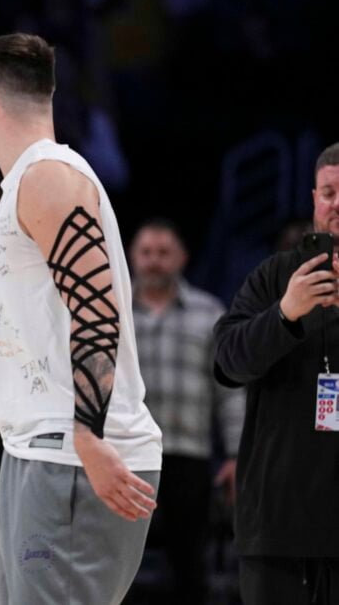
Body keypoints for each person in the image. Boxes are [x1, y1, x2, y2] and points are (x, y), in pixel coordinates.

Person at [0, 32, 162, 604]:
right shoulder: (28, 183)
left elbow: (98, 313)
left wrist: (87, 434)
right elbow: (16, 331)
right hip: (42, 448)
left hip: (72, 450)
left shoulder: (47, 179)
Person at [214, 142, 339, 604]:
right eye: (329, 193)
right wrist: (286, 313)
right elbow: (228, 363)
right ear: (314, 200)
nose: (337, 204)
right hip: (276, 528)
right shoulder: (274, 278)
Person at [128, 218, 245, 604]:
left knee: (190, 570)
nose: (154, 261)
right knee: (117, 567)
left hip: (188, 458)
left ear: (182, 257)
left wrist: (236, 454)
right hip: (125, 459)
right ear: (132, 256)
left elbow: (230, 389)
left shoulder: (209, 312)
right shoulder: (114, 312)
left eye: (163, 253)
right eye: (146, 252)